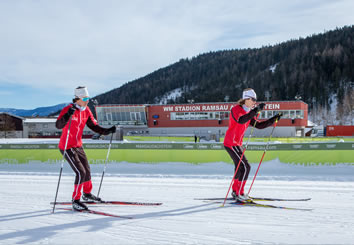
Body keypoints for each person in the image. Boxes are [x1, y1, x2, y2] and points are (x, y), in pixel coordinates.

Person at [56, 86, 116, 211]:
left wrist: (106, 131)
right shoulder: (68, 109)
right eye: (85, 98)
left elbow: (93, 126)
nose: (87, 100)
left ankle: (87, 194)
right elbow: (58, 125)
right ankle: (76, 200)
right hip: (67, 146)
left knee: (87, 170)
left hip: (78, 145)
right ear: (77, 99)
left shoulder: (86, 110)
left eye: (88, 98)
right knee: (80, 172)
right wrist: (68, 115)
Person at [223, 88, 282, 203]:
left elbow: (259, 125)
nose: (255, 102)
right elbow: (240, 120)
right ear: (246, 99)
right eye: (253, 99)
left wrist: (273, 119)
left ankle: (236, 191)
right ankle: (240, 193)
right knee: (246, 167)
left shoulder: (248, 112)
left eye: (255, 100)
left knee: (240, 167)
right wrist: (255, 111)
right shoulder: (236, 110)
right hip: (231, 142)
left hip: (237, 144)